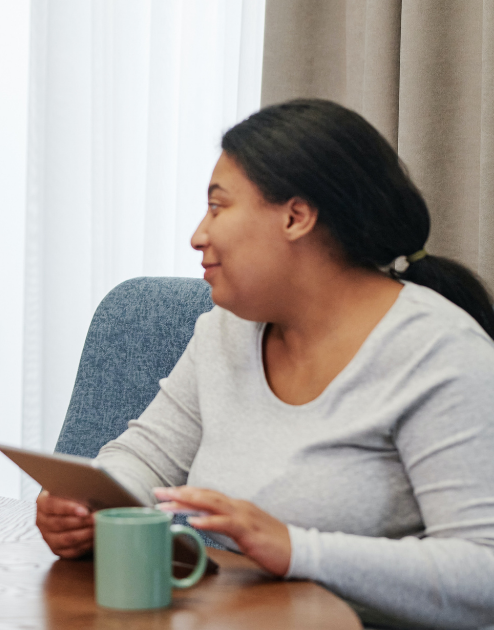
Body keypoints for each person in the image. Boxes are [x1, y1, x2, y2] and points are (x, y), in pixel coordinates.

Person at [36, 99, 494, 628]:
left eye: (218, 207)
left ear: (295, 216)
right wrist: (90, 507)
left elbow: (484, 571)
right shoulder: (230, 328)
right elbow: (147, 457)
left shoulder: (439, 353)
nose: (198, 235)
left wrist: (298, 548)